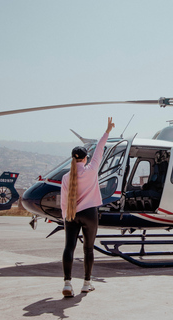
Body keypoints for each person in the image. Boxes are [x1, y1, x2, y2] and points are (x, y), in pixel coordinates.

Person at [60, 117, 115, 297]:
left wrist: (65, 217)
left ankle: (67, 284)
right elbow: (99, 148)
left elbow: (63, 201)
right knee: (88, 249)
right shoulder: (91, 170)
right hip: (90, 214)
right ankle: (86, 283)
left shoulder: (66, 177)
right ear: (85, 158)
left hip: (71, 214)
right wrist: (107, 131)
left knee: (69, 248)